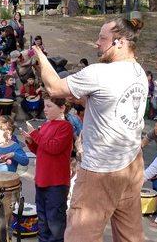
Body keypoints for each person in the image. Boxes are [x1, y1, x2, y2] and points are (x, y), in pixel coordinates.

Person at [32, 17, 148, 242]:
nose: (97, 43)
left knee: (79, 236)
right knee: (130, 235)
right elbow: (104, 102)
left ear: (121, 42)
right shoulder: (139, 73)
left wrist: (41, 56)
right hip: (132, 165)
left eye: (103, 38)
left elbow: (55, 87)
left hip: (100, 170)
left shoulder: (100, 73)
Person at [23, 96, 74, 242]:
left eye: (49, 106)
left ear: (62, 108)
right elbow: (40, 150)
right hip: (41, 180)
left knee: (55, 223)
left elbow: (53, 148)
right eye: (45, 106)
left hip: (56, 183)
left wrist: (34, 134)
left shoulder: (66, 127)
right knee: (42, 220)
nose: (45, 109)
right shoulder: (46, 125)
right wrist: (30, 142)